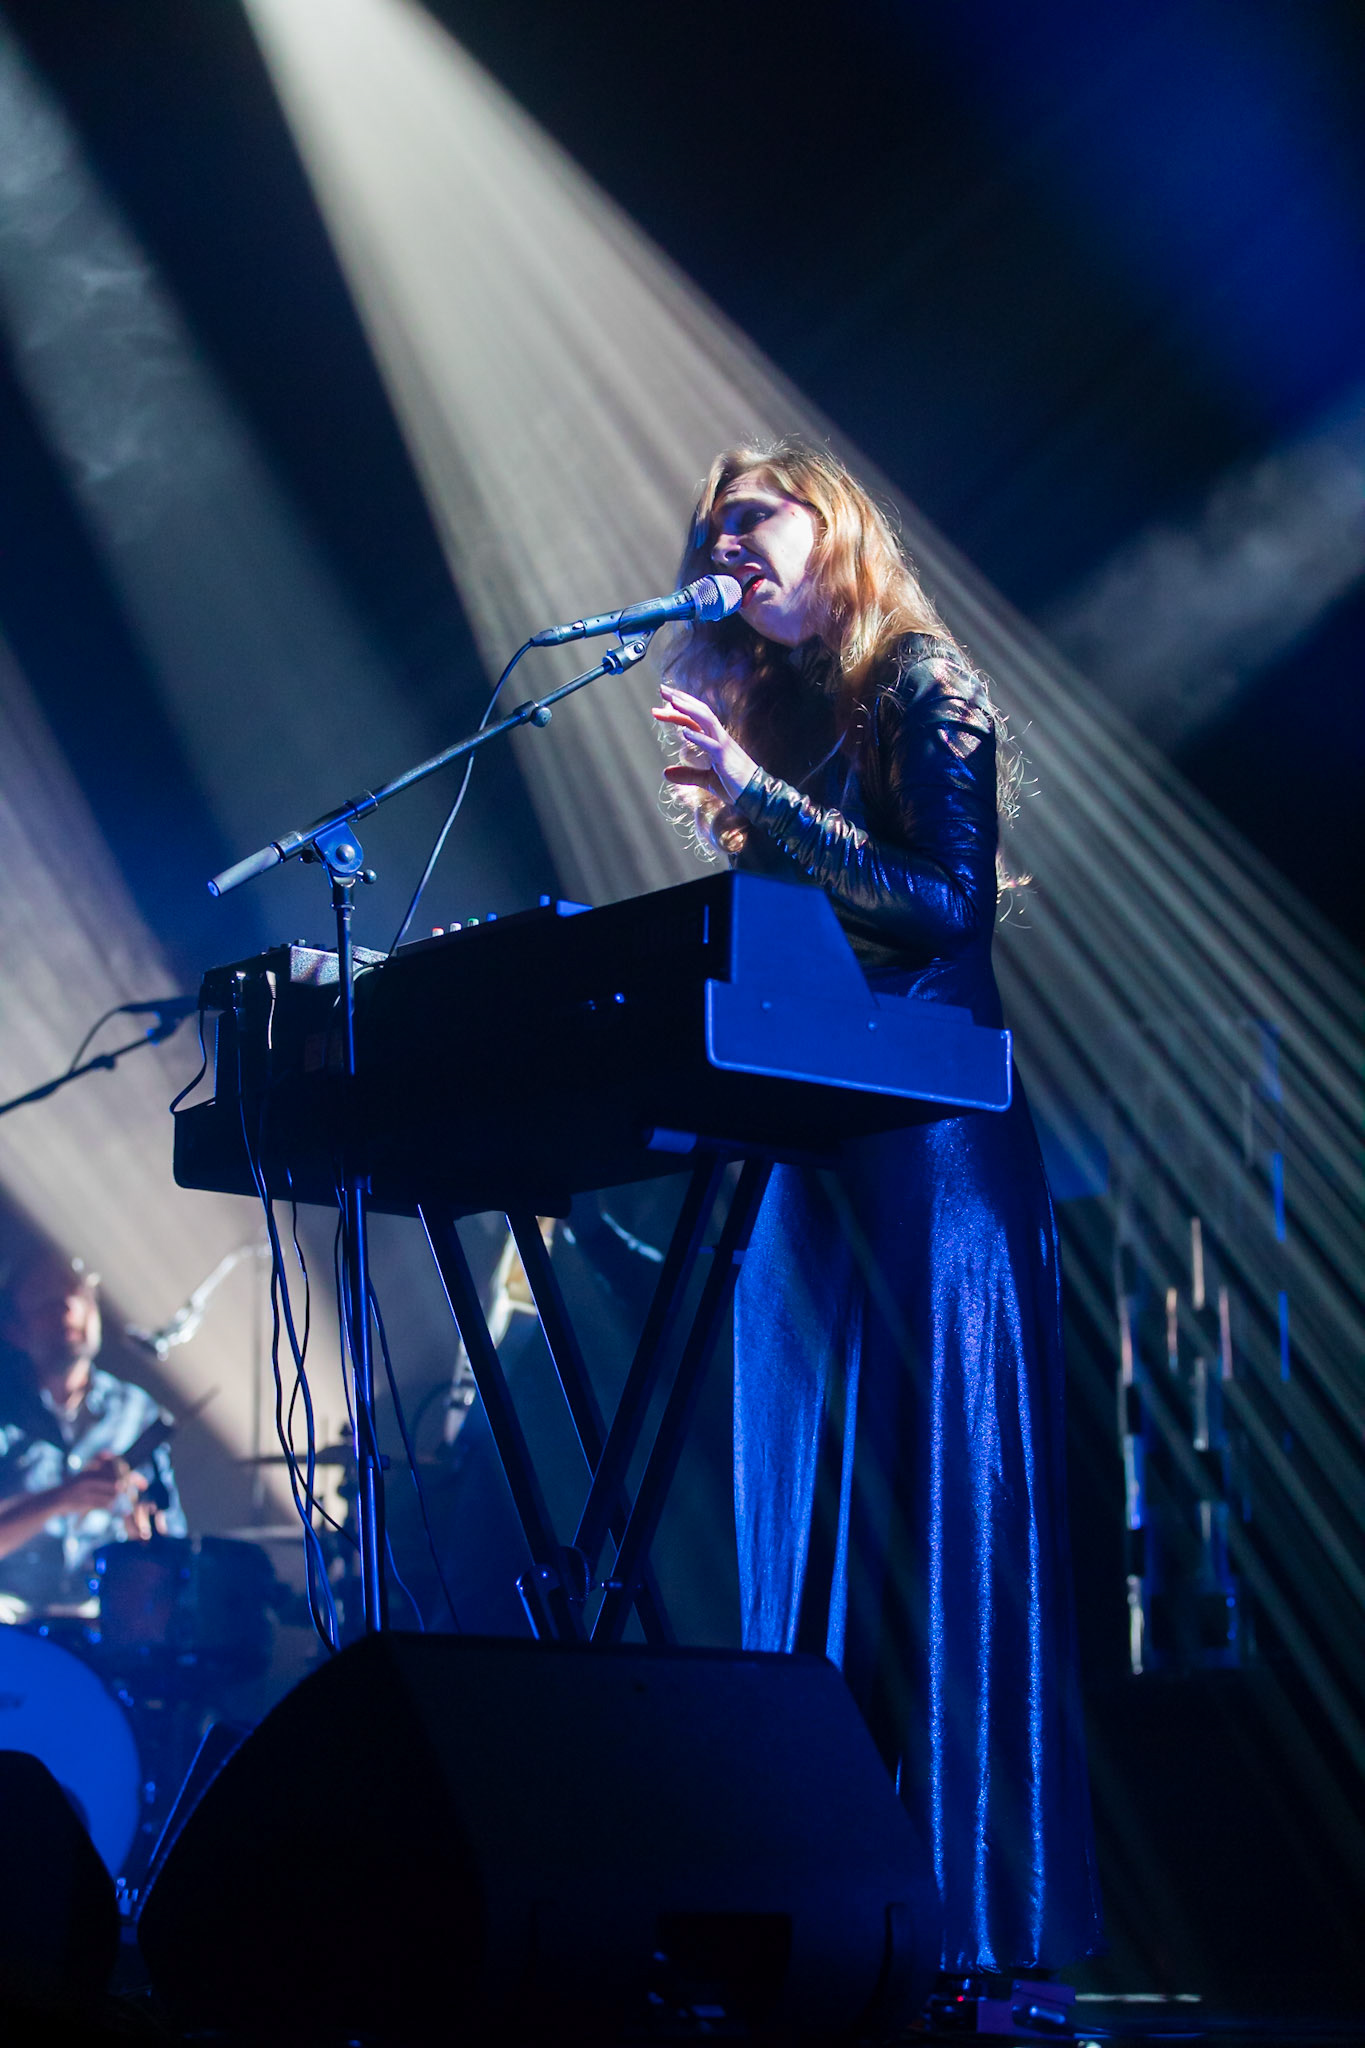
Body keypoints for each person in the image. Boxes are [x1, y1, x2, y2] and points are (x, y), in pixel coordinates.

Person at [653, 439, 1103, 1982]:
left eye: (753, 517)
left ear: (830, 521)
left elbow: (944, 905)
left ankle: (964, 1920)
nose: (730, 545)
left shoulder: (920, 680)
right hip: (810, 1151)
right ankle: (820, 1900)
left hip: (926, 1152)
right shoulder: (771, 712)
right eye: (713, 531)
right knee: (801, 1517)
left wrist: (759, 799)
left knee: (934, 1511)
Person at [0, 1246, 184, 1613]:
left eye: (77, 1296)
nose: (67, 1308)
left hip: (98, 1616)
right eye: (45, 1302)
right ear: (14, 1330)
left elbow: (170, 1547)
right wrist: (62, 1498)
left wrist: (145, 1538)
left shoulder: (137, 1411)